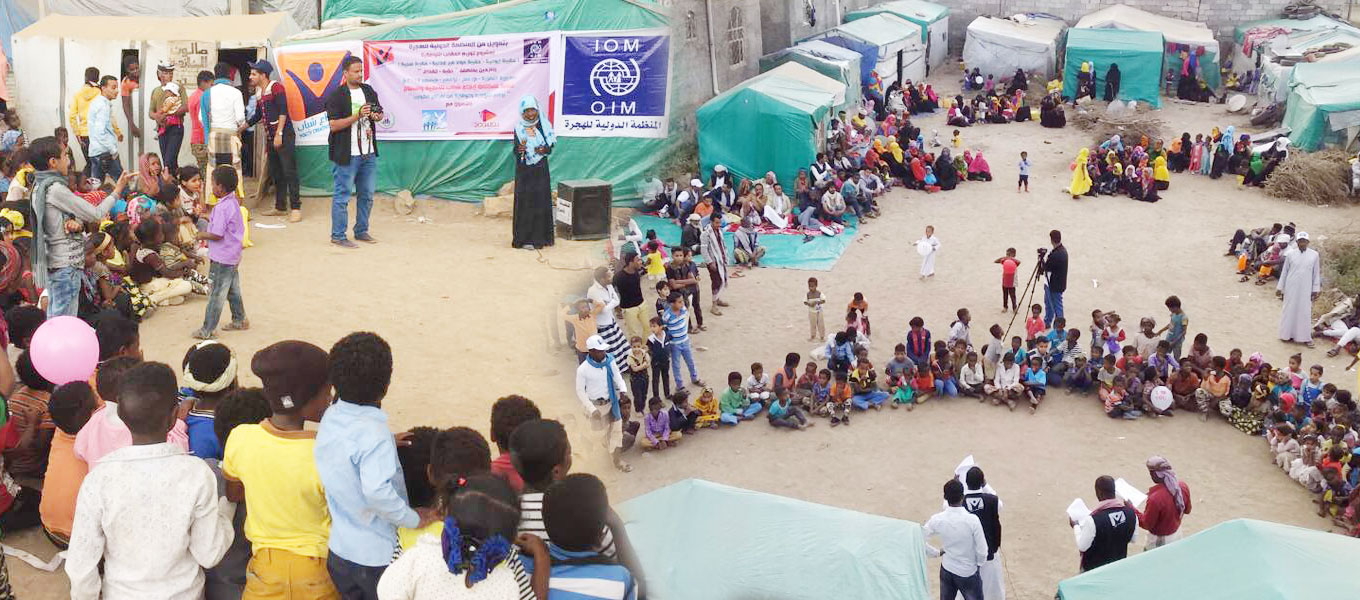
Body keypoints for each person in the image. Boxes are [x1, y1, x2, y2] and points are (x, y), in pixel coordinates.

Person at [65, 362, 236, 600]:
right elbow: (209, 553)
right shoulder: (197, 473)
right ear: (174, 416)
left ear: (121, 415)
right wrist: (227, 508)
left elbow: (81, 565)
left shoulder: (98, 479)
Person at [315, 332, 435, 599]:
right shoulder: (374, 435)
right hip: (375, 559)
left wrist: (386, 441)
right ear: (386, 386)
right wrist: (414, 518)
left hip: (339, 551)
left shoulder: (331, 416)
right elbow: (377, 493)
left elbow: (348, 448)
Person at [219, 340, 339, 598]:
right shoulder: (326, 451)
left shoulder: (241, 437)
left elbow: (234, 493)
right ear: (305, 398)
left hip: (264, 572)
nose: (329, 398)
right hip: (317, 572)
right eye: (326, 392)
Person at [28, 137, 128, 317]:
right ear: (53, 162)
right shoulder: (54, 189)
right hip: (65, 264)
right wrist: (117, 190)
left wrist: (76, 224)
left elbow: (59, 222)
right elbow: (95, 214)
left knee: (56, 316)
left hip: (54, 263)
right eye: (64, 155)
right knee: (63, 320)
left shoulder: (38, 186)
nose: (68, 160)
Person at [520, 474, 639, 600]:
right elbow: (640, 591)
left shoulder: (519, 567)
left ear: (543, 518)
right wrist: (618, 525)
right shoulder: (619, 580)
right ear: (600, 537)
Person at [326, 56, 382, 248]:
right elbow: (334, 125)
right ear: (345, 73)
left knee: (367, 195)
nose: (360, 74)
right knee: (342, 196)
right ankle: (338, 235)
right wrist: (356, 116)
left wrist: (376, 115)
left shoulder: (368, 90)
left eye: (361, 71)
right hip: (346, 154)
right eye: (356, 71)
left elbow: (379, 113)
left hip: (368, 153)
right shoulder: (336, 95)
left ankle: (361, 231)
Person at [193, 165, 248, 339]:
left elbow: (217, 234)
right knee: (232, 289)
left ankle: (207, 329)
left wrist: (201, 234)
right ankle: (240, 319)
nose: (212, 187)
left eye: (213, 184)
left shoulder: (222, 207)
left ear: (221, 187)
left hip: (222, 257)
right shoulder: (232, 202)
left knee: (216, 293)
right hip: (232, 255)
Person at [245, 59, 301, 223]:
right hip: (271, 137)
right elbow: (258, 115)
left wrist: (279, 134)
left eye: (253, 74)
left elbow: (283, 111)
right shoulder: (259, 93)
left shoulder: (276, 87)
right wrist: (242, 127)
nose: (250, 77)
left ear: (263, 75)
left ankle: (296, 208)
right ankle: (280, 207)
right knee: (277, 172)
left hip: (283, 135)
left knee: (290, 171)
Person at [574, 335, 632, 472]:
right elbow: (580, 391)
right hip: (596, 407)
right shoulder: (583, 369)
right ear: (591, 351)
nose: (603, 353)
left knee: (617, 433)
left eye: (604, 350)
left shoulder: (610, 361)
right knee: (596, 437)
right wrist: (592, 409)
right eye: (600, 351)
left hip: (612, 403)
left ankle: (617, 461)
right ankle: (596, 466)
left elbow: (618, 377)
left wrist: (623, 390)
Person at [923, 479, 987, 600]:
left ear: (945, 497)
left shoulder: (937, 519)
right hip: (968, 571)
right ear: (963, 497)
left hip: (947, 568)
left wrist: (935, 553)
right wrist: (978, 564)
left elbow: (918, 539)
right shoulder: (972, 520)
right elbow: (982, 550)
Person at [511, 95, 555, 250]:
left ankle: (541, 239)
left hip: (540, 169)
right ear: (522, 112)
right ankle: (523, 239)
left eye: (533, 110)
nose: (530, 114)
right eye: (527, 111)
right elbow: (515, 149)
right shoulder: (518, 127)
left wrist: (543, 149)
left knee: (540, 201)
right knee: (525, 203)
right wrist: (520, 149)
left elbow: (549, 148)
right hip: (524, 171)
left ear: (537, 110)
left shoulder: (544, 125)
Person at [1072, 476, 1137, 572]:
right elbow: (1133, 539)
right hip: (1117, 566)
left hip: (1094, 569)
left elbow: (1082, 546)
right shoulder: (1131, 513)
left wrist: (1076, 526)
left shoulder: (1093, 520)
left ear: (1099, 493)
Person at [1136, 456, 1192, 549]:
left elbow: (1146, 524)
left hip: (1159, 540)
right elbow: (1187, 510)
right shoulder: (1182, 486)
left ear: (1156, 475)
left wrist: (1133, 510)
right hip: (1176, 533)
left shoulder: (1155, 499)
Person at [1277, 231, 1322, 347]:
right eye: (1300, 241)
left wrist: (1315, 289)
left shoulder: (1314, 255)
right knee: (1289, 310)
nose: (1302, 243)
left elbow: (1316, 273)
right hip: (1291, 287)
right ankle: (1286, 335)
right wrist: (1280, 287)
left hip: (1306, 288)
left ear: (1308, 242)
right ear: (1296, 242)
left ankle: (1305, 338)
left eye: (1304, 241)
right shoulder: (1290, 254)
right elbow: (1285, 272)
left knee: (1304, 312)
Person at [148, 61, 187, 173]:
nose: (169, 76)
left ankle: (170, 181)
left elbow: (186, 107)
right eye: (165, 73)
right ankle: (175, 182)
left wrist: (169, 114)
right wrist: (157, 116)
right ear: (159, 74)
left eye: (171, 73)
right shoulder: (156, 91)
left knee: (168, 163)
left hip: (175, 127)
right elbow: (150, 112)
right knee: (168, 161)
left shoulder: (178, 87)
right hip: (161, 129)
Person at [87, 75, 125, 182]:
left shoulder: (97, 102)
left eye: (117, 87)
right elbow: (100, 132)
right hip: (105, 153)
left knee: (97, 186)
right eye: (113, 88)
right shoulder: (103, 106)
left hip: (95, 151)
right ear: (103, 88)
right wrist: (113, 151)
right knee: (122, 184)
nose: (117, 91)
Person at [699, 215, 730, 315]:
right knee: (716, 282)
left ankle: (718, 299)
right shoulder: (705, 234)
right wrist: (710, 262)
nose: (719, 225)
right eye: (717, 223)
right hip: (713, 261)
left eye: (720, 223)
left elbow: (723, 245)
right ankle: (714, 305)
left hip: (720, 260)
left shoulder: (719, 232)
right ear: (711, 222)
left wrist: (725, 257)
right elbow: (704, 250)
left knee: (721, 280)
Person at [1042, 230, 1068, 327]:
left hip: (1053, 284)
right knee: (1049, 303)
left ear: (1051, 240)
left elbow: (1046, 267)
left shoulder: (1056, 254)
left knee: (1056, 305)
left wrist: (1042, 260)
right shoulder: (1062, 251)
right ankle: (1048, 321)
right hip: (1056, 283)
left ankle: (1059, 326)